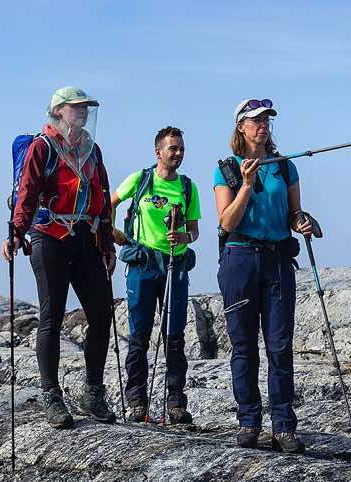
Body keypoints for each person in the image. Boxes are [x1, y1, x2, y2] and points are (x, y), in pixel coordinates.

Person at [2, 86, 117, 429]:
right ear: (58, 111)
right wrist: (16, 232)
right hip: (50, 236)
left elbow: (103, 198)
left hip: (85, 238)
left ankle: (92, 393)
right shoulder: (43, 146)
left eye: (86, 108)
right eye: (76, 107)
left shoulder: (91, 150)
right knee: (51, 316)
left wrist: (107, 245)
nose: (82, 112)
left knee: (100, 314)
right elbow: (28, 193)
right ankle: (51, 396)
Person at [213, 99, 314, 453]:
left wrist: (301, 221)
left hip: (276, 260)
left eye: (267, 120)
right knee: (243, 346)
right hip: (240, 257)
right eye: (255, 121)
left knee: (280, 346)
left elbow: (293, 211)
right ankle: (249, 421)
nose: (263, 126)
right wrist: (245, 184)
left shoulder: (284, 166)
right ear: (241, 126)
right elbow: (226, 222)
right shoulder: (226, 170)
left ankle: (284, 426)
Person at [111, 126, 200, 424]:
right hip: (143, 264)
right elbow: (110, 203)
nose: (178, 153)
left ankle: (176, 402)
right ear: (158, 152)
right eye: (172, 148)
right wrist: (114, 234)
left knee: (174, 336)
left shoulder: (188, 187)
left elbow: (194, 231)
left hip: (175, 263)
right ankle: (136, 401)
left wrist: (183, 237)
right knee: (139, 336)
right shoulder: (141, 180)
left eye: (181, 149)